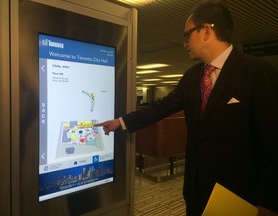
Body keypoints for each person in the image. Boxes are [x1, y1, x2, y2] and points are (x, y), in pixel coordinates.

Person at [95, 1, 278, 215]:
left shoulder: (257, 73)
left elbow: (272, 144)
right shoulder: (192, 77)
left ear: (206, 31)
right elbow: (162, 107)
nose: (184, 43)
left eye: (187, 35)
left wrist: (269, 203)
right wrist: (121, 122)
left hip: (239, 197)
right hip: (196, 192)